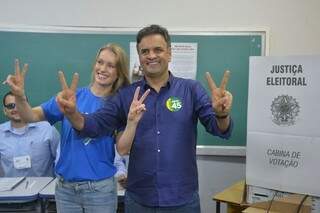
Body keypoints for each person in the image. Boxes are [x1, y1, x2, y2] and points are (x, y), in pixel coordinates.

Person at [52, 24, 234, 213]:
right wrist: (72, 113)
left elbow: (219, 129)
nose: (151, 55)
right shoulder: (126, 95)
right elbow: (95, 124)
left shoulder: (191, 90)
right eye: (145, 51)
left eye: (158, 50)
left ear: (169, 53)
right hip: (139, 200)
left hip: (182, 198)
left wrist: (221, 113)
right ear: (139, 57)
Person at [5, 43, 130, 213]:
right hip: (66, 190)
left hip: (100, 190)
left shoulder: (118, 104)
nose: (103, 68)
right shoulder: (71, 96)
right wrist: (20, 97)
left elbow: (123, 147)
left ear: (118, 72)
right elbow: (30, 116)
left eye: (110, 65)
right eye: (100, 62)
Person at [0, 91, 60, 177]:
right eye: (11, 106)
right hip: (10, 190)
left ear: (26, 106)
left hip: (43, 189)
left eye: (19, 104)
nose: (16, 109)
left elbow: (61, 160)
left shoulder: (47, 129)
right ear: (5, 111)